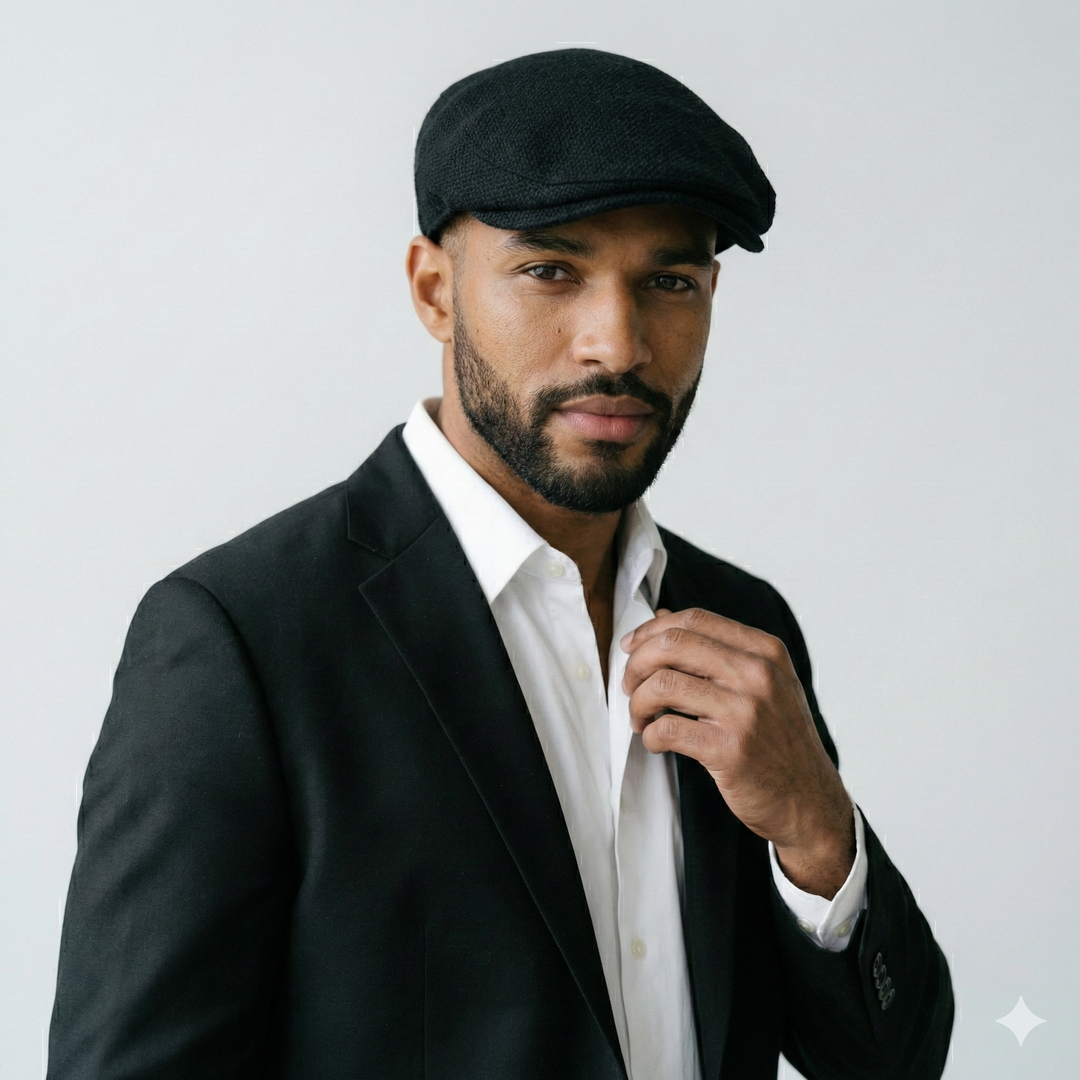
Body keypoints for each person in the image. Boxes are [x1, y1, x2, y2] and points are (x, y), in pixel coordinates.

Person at [48, 49, 953, 1080]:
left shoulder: (742, 625)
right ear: (435, 291)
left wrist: (817, 832)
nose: (617, 344)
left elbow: (892, 1063)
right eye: (551, 271)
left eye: (670, 281)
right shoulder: (242, 640)